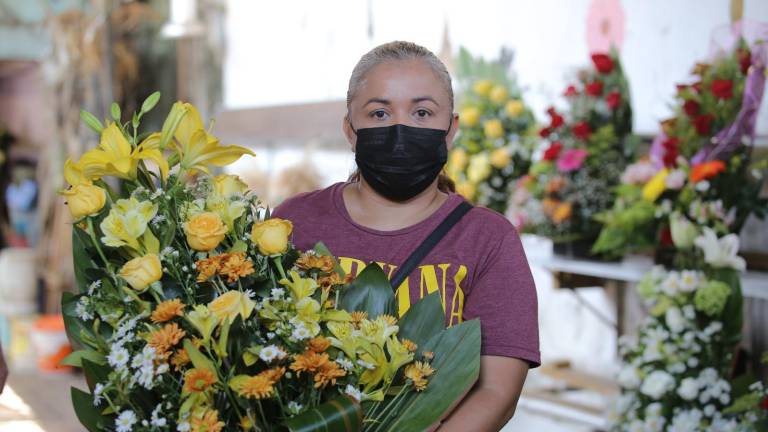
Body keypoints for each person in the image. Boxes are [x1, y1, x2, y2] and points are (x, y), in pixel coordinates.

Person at [272, 41, 539, 431]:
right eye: (379, 113)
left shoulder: (488, 239)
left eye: (422, 112)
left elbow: (497, 393)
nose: (400, 128)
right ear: (350, 129)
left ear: (451, 130)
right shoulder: (294, 221)